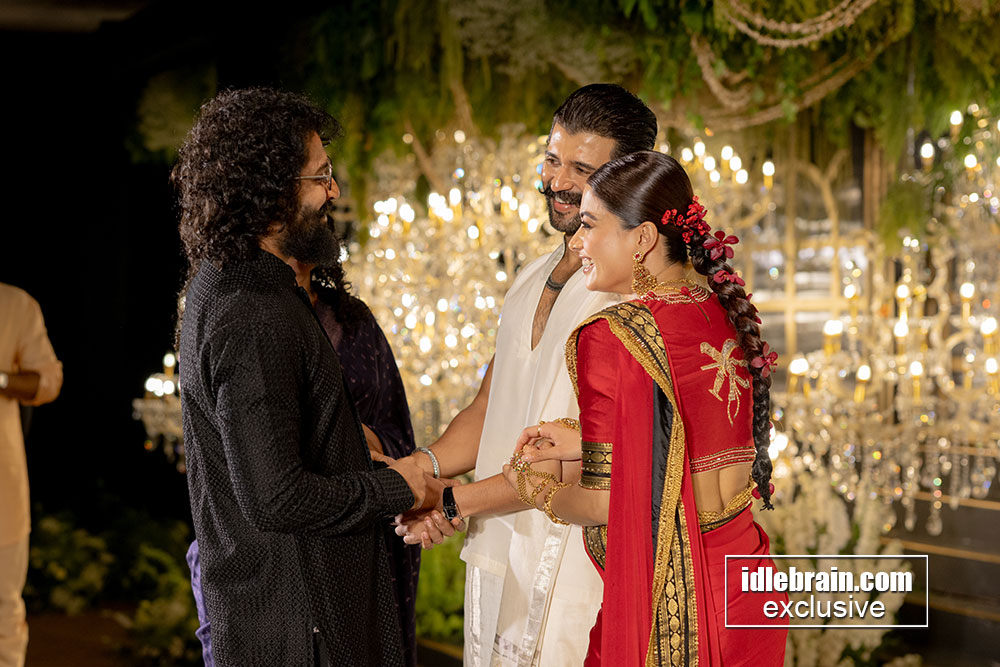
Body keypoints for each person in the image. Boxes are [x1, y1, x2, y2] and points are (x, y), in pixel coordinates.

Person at [173, 87, 439, 667]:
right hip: (298, 628)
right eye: (320, 177)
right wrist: (399, 487)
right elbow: (276, 497)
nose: (333, 191)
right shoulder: (253, 313)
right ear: (271, 189)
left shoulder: (230, 286)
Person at [395, 84, 658, 666]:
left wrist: (452, 502)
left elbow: (603, 452)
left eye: (581, 170)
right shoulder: (530, 277)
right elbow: (491, 405)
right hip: (496, 550)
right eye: (552, 159)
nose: (557, 180)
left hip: (578, 561)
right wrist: (419, 469)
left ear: (628, 176)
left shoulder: (636, 294)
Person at [504, 150, 788, 665]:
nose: (577, 242)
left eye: (591, 225)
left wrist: (535, 488)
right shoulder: (722, 310)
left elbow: (603, 504)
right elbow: (693, 435)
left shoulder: (613, 335)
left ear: (643, 239)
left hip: (680, 607)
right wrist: (586, 440)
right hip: (750, 586)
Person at [184, 255, 422, 667]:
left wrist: (369, 446)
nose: (322, 217)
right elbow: (267, 484)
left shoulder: (352, 321)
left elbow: (400, 432)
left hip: (364, 535)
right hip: (276, 573)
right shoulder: (245, 313)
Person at [0, 283, 63, 667]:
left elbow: (48, 380)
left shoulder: (15, 305)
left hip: (2, 491)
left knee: (3, 614)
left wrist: (2, 379)